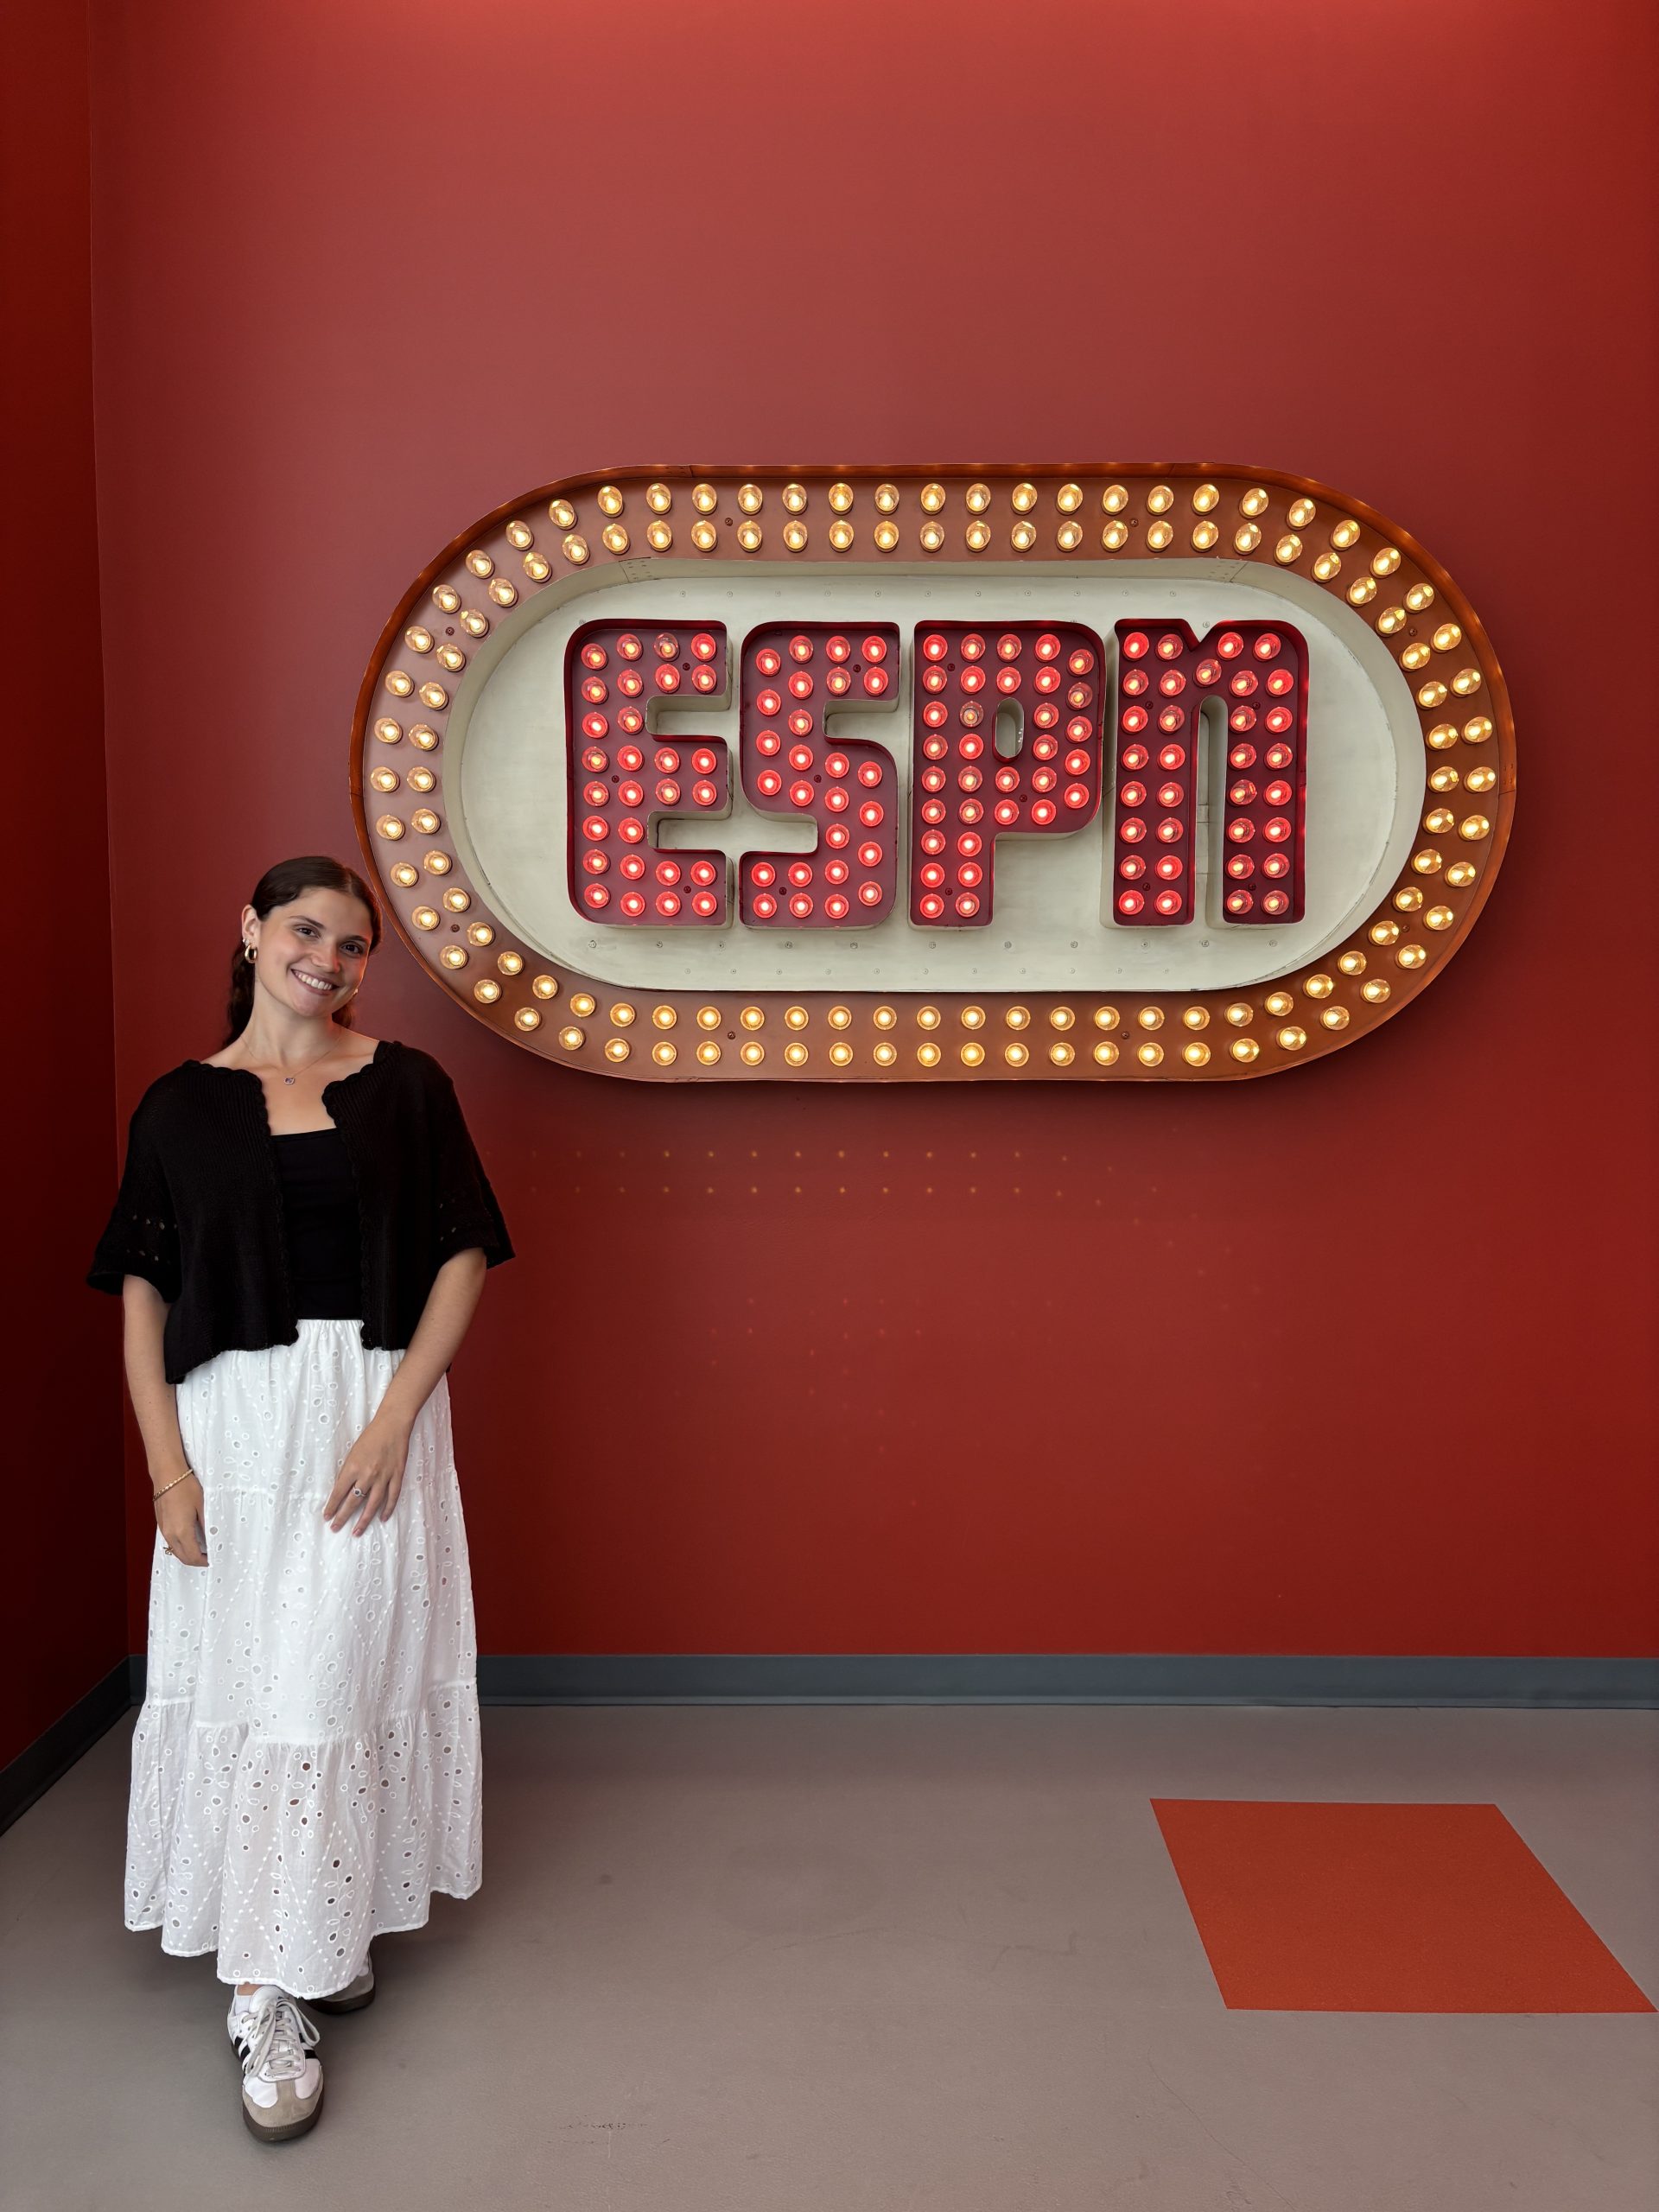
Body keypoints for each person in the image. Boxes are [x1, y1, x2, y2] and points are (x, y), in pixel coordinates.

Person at [88, 855, 512, 2142]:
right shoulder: (177, 1107)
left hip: (371, 1413)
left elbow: (463, 1256)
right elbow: (144, 1298)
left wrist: (395, 1418)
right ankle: (265, 1988)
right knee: (255, 1683)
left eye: (352, 944)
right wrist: (167, 1470)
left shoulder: (407, 1087)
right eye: (305, 931)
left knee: (340, 1676)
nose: (326, 960)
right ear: (253, 931)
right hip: (233, 1427)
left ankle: (313, 1929)